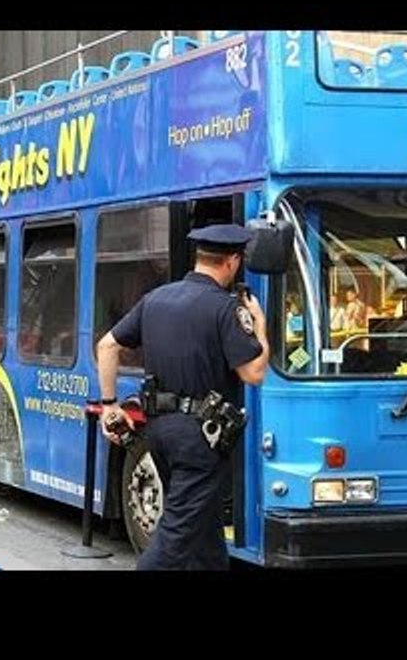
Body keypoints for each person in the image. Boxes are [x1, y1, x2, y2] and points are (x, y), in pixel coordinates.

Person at [96, 224, 270, 570]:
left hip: (158, 432)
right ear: (232, 262)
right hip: (201, 439)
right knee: (175, 540)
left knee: (204, 535)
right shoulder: (226, 309)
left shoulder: (155, 299)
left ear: (200, 258)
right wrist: (260, 328)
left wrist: (110, 405)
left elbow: (107, 346)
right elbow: (254, 373)